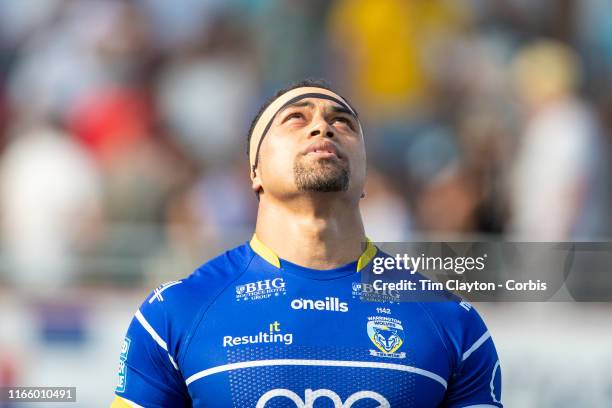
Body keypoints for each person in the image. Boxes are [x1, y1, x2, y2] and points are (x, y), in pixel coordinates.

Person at [111, 80, 502, 407]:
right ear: (255, 170)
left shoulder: (453, 321)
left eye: (342, 122)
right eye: (296, 118)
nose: (322, 128)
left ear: (366, 174)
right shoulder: (175, 312)